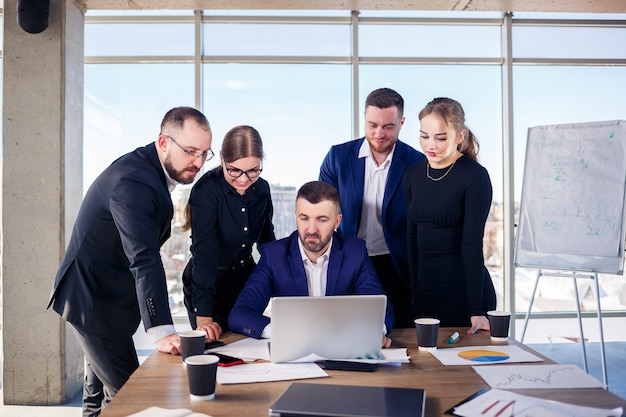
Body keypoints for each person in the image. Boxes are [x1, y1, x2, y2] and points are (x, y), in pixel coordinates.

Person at [47, 107, 213, 417]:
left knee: (97, 403)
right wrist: (162, 330)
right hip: (92, 302)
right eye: (190, 151)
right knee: (132, 401)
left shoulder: (147, 169)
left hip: (107, 299)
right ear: (164, 142)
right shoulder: (133, 182)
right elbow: (145, 258)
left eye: (205, 153)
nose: (199, 162)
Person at [229, 181, 394, 347]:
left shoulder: (355, 252)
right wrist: (281, 331)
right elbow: (240, 314)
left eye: (322, 220)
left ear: (337, 222)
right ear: (296, 217)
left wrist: (375, 331)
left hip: (342, 350)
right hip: (293, 353)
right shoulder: (274, 255)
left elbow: (380, 308)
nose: (311, 229)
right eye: (304, 218)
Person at [319, 87, 424, 328]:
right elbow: (322, 213)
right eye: (372, 125)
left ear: (401, 122)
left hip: (396, 265)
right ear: (364, 118)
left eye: (388, 127)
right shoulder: (337, 157)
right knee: (342, 330)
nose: (379, 133)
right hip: (348, 260)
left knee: (395, 335)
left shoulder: (417, 163)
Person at [403, 97, 496, 334]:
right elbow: (411, 237)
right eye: (424, 136)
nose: (430, 145)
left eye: (440, 138)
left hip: (463, 294)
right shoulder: (413, 175)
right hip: (425, 293)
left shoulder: (474, 176)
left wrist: (476, 309)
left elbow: (473, 244)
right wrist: (414, 290)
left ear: (460, 135)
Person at [181, 125, 275, 340]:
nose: (243, 179)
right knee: (216, 344)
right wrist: (203, 317)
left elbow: (267, 241)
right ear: (222, 159)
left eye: (253, 170)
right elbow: (204, 252)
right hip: (208, 283)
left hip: (245, 281)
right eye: (234, 170)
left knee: (249, 343)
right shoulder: (206, 190)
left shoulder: (262, 189)